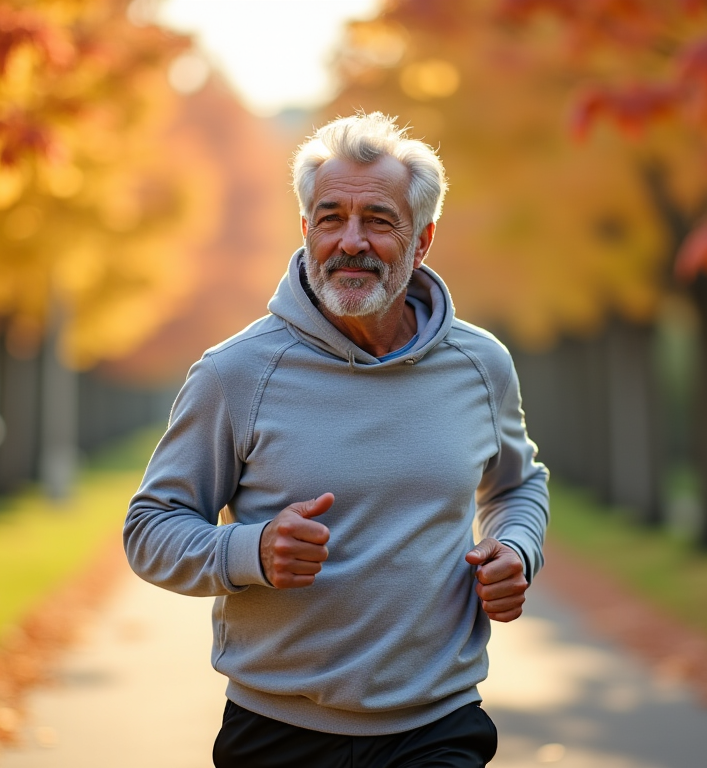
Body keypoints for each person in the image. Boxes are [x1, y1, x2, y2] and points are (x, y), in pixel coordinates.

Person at [124, 111, 549, 768]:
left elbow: (518, 486)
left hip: (437, 725)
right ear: (305, 230)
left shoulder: (480, 365)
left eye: (378, 220)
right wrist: (252, 551)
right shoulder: (236, 373)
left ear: (422, 238)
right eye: (330, 219)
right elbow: (150, 528)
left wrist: (516, 549)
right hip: (278, 731)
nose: (351, 241)